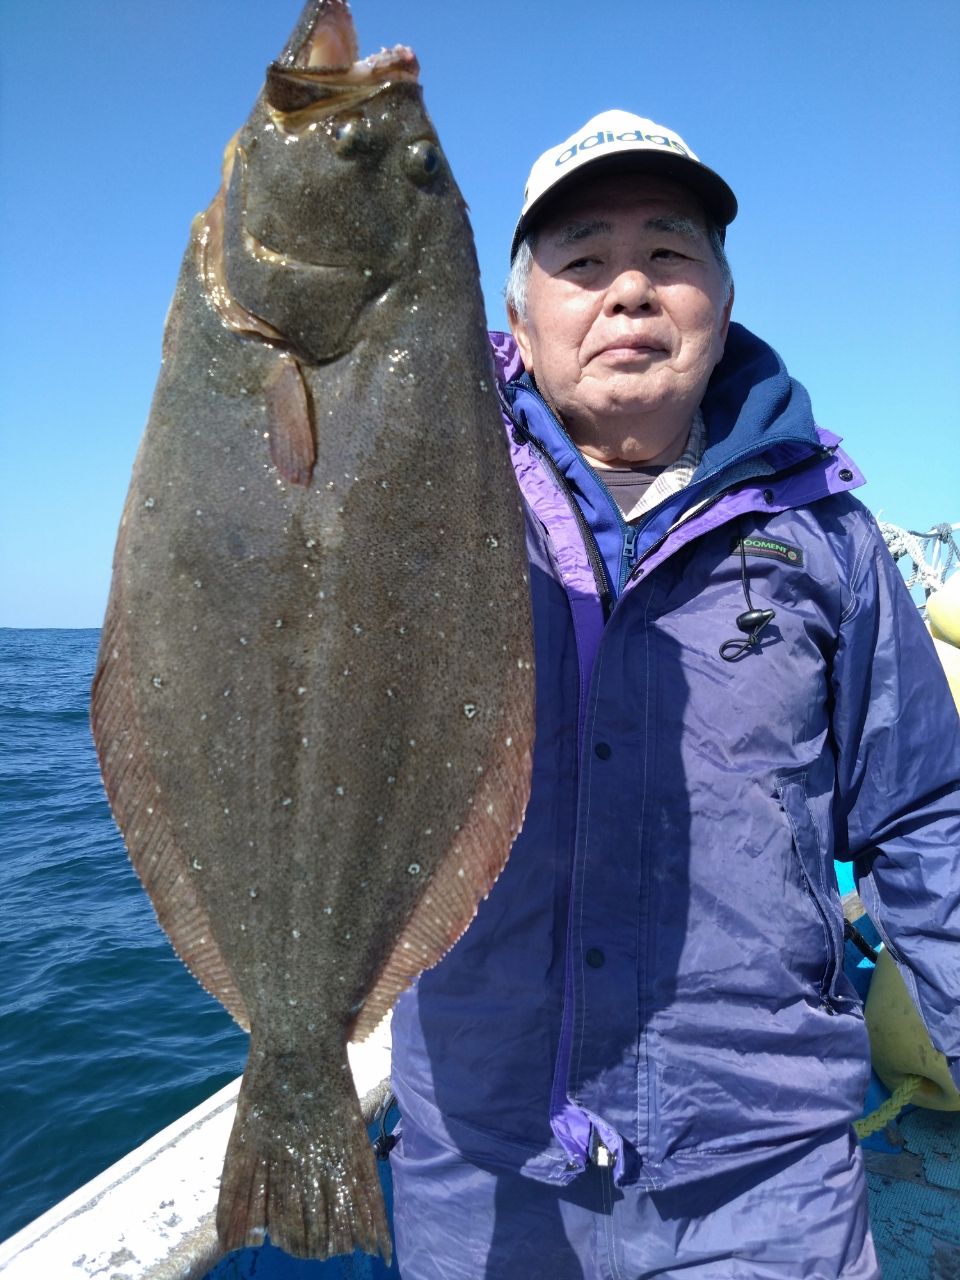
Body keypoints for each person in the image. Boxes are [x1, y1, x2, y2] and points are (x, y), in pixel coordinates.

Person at [387, 110, 960, 1279]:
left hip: (767, 1175)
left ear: (724, 299)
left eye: (668, 252)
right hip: (481, 1161)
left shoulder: (828, 535)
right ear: (517, 319)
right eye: (584, 260)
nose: (630, 289)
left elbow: (922, 814)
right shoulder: (412, 509)